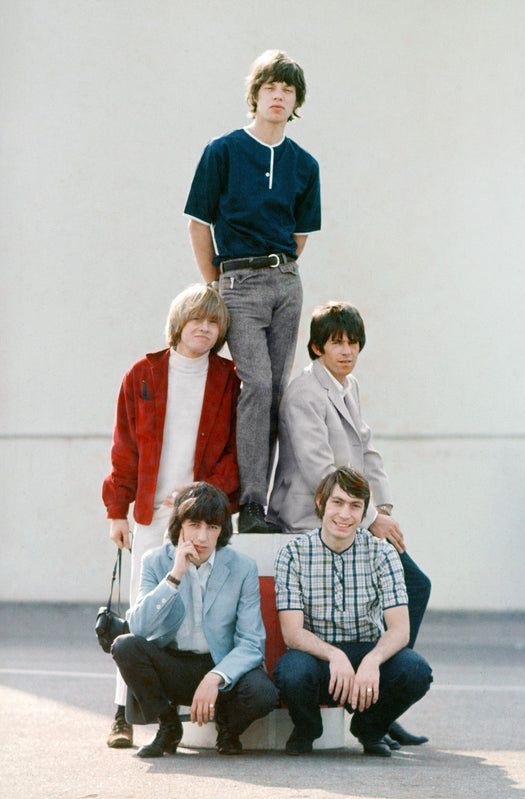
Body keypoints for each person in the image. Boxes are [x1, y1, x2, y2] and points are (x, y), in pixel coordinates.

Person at [268, 300, 431, 745]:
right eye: (337, 342)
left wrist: (385, 509)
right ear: (317, 346)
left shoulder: (348, 384)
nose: (347, 350)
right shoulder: (304, 393)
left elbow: (366, 450)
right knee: (414, 584)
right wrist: (370, 518)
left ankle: (379, 690)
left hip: (352, 513)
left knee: (415, 585)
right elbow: (321, 469)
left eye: (353, 342)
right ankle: (373, 695)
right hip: (312, 514)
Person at [184, 49, 321, 533]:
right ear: (256, 95)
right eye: (271, 89)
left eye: (288, 90)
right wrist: (214, 284)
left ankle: (272, 503)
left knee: (279, 392)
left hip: (284, 282)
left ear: (296, 100)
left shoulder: (304, 164)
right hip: (237, 282)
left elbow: (301, 235)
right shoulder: (222, 151)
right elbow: (199, 224)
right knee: (256, 384)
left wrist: (281, 270)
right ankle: (249, 502)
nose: (279, 97)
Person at [102, 284, 239, 749]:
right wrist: (116, 510)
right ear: (179, 322)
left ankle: (200, 705)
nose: (205, 327)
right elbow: (124, 447)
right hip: (147, 515)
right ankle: (122, 713)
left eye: (214, 321)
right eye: (197, 319)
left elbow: (233, 453)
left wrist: (205, 493)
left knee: (199, 608)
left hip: (199, 515)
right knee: (141, 615)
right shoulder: (143, 373)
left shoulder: (228, 379)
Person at [112, 482, 279, 757]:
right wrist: (174, 576)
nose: (202, 537)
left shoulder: (242, 567)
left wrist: (216, 677)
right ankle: (168, 726)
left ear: (222, 530)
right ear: (180, 525)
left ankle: (228, 729)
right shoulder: (155, 561)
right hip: (174, 665)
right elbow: (139, 627)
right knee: (125, 645)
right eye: (194, 524)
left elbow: (252, 643)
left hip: (220, 665)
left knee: (263, 692)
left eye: (212, 527)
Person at [273, 468, 433, 756]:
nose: (345, 514)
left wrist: (372, 660)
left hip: (366, 651)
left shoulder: (382, 553)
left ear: (363, 513)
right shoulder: (293, 553)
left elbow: (400, 630)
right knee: (291, 671)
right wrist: (335, 655)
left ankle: (370, 728)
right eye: (338, 503)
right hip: (318, 658)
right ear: (321, 503)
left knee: (415, 670)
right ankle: (308, 728)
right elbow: (293, 633)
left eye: (355, 506)